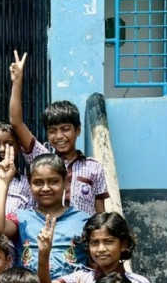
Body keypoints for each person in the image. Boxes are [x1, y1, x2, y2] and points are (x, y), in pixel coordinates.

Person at [0, 149, 90, 283]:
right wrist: (3, 181)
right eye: (38, 183)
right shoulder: (22, 217)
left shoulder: (83, 220)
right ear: (29, 184)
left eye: (53, 182)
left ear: (65, 182)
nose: (46, 188)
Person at [8, 51, 107, 216]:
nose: (59, 136)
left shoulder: (94, 167)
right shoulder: (41, 157)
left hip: (81, 237)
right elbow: (16, 123)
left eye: (65, 129)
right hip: (46, 234)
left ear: (78, 130)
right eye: (52, 131)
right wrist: (17, 82)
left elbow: (100, 212)